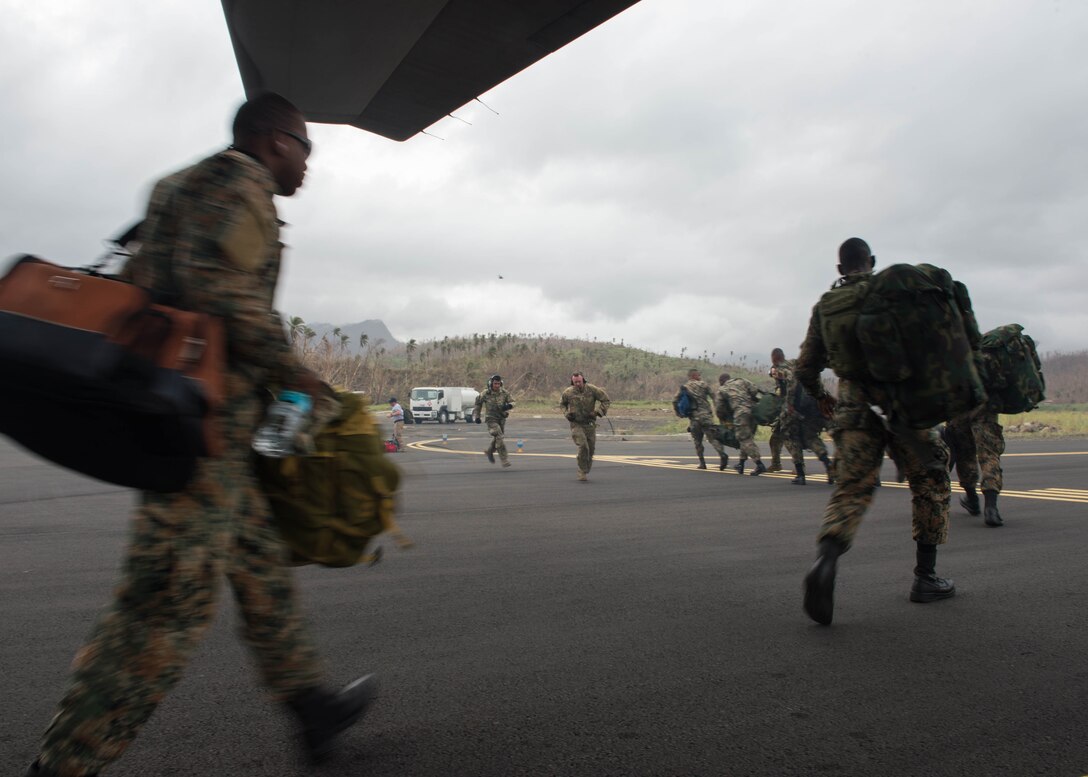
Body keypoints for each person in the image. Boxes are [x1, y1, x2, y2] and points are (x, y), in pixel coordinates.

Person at [24, 94, 377, 777]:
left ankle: (311, 704)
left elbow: (151, 280)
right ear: (276, 142)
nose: (309, 165)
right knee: (163, 606)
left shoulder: (177, 188)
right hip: (197, 424)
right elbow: (219, 291)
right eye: (308, 148)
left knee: (260, 563)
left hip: (205, 422)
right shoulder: (238, 185)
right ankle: (64, 764)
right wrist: (294, 370)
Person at [796, 237, 955, 626]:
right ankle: (925, 578)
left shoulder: (826, 306)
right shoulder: (893, 294)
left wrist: (821, 397)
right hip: (904, 406)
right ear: (872, 261)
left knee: (851, 490)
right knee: (932, 480)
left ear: (840, 270)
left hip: (853, 405)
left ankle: (826, 561)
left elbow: (805, 369)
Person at [773, 350, 834, 485]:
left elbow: (789, 382)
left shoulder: (781, 368)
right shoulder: (802, 364)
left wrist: (789, 406)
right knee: (811, 437)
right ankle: (828, 464)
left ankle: (800, 474)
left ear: (775, 359)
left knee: (790, 438)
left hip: (798, 407)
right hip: (816, 404)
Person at [946, 406, 1005, 526]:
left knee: (965, 456)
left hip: (959, 410)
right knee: (989, 456)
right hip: (985, 410)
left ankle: (972, 498)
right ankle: (991, 507)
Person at [560, 371, 611, 481]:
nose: (577, 384)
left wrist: (598, 412)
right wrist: (567, 414)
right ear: (572, 382)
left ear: (583, 380)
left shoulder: (592, 389)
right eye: (575, 382)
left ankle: (585, 469)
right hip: (576, 424)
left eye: (579, 381)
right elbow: (562, 404)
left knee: (590, 450)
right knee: (583, 446)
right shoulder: (568, 392)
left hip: (590, 424)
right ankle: (582, 471)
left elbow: (606, 400)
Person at [674, 368, 729, 470]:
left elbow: (675, 400)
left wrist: (679, 413)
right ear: (694, 376)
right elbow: (714, 397)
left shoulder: (685, 387)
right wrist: (719, 411)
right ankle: (722, 454)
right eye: (698, 375)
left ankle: (702, 463)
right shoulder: (704, 385)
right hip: (707, 417)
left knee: (697, 441)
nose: (700, 377)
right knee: (713, 438)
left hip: (694, 418)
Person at [719, 372, 767, 475]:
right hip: (754, 411)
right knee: (747, 438)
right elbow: (754, 390)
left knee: (744, 438)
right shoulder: (741, 380)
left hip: (741, 413)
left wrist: (724, 420)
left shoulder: (722, 389)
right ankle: (741, 464)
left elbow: (720, 408)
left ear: (722, 382)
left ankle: (759, 464)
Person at [474, 374, 514, 468]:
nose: (497, 386)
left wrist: (509, 406)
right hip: (491, 419)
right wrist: (477, 416)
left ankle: (490, 451)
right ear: (491, 383)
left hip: (501, 418)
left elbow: (513, 401)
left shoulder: (504, 392)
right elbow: (478, 404)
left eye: (498, 384)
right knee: (499, 435)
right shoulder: (485, 393)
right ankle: (504, 460)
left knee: (498, 438)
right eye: (495, 383)